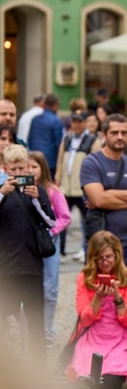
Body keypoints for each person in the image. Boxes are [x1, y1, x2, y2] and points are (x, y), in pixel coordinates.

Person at [66, 230, 127, 389]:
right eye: (100, 258)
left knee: (110, 383)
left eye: (108, 257)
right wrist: (98, 298)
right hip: (92, 335)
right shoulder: (84, 278)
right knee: (83, 380)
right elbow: (84, 319)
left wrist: (117, 296)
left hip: (120, 337)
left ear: (116, 256)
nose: (105, 262)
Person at [0, 144, 56, 360]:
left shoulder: (37, 191)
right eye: (13, 170)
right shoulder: (2, 189)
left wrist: (35, 200)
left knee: (35, 319)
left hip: (32, 265)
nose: (18, 174)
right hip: (6, 267)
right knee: (6, 318)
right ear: (5, 168)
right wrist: (3, 194)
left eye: (22, 170)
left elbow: (51, 221)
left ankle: (38, 366)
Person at [80, 114, 127, 272]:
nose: (120, 137)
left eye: (124, 133)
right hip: (100, 245)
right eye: (114, 133)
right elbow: (99, 200)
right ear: (103, 135)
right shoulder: (92, 162)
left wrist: (109, 193)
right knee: (102, 293)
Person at [27, 150, 71, 344]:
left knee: (50, 289)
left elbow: (65, 217)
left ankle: (48, 331)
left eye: (34, 167)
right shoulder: (19, 191)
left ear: (42, 169)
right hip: (29, 245)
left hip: (49, 243)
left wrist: (50, 233)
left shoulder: (52, 191)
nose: (30, 170)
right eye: (27, 166)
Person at [55, 112, 100, 260]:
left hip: (82, 189)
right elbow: (60, 160)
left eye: (79, 122)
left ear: (85, 123)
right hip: (66, 188)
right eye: (74, 122)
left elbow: (96, 163)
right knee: (61, 220)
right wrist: (57, 179)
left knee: (87, 222)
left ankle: (86, 250)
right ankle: (60, 251)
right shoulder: (67, 139)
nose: (76, 125)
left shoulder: (92, 141)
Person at [28, 93, 64, 177]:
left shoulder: (35, 119)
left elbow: (30, 139)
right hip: (50, 161)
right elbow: (58, 143)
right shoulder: (56, 121)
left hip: (35, 158)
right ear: (55, 105)